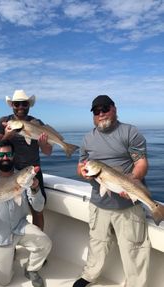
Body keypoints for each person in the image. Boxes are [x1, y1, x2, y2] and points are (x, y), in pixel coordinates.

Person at [73, 95, 151, 287]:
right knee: (97, 242)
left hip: (127, 204)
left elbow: (141, 162)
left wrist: (131, 182)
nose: (101, 114)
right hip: (99, 203)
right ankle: (90, 274)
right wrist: (83, 173)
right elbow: (81, 164)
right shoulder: (87, 138)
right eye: (96, 112)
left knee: (133, 248)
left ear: (114, 109)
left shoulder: (130, 132)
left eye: (104, 109)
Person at [0, 140, 52, 287]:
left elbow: (38, 207)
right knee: (4, 281)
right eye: (1, 154)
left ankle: (32, 269)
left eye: (8, 154)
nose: (5, 157)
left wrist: (35, 189)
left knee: (45, 243)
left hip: (20, 227)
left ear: (13, 156)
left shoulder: (24, 180)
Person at [0, 90, 52, 230]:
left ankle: (38, 244)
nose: (20, 107)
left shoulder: (37, 123)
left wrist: (43, 144)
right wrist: (7, 136)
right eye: (17, 104)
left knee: (37, 210)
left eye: (24, 104)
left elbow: (48, 152)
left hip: (33, 172)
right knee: (9, 211)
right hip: (10, 173)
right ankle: (9, 245)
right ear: (12, 105)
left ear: (29, 105)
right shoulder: (4, 122)